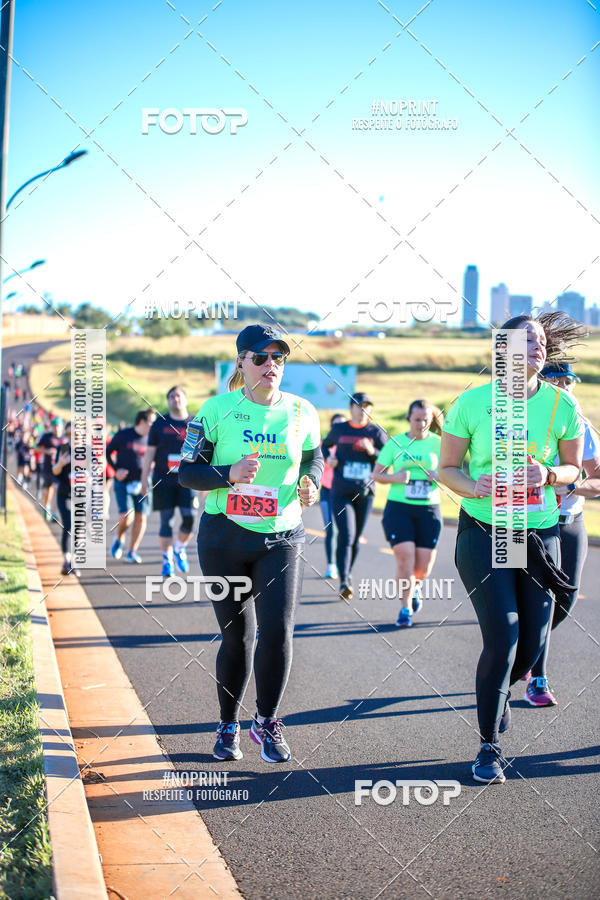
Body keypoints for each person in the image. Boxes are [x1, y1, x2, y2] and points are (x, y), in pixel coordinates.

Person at [439, 312, 585, 784]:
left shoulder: (562, 407)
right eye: (527, 340)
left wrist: (547, 475)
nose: (538, 346)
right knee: (502, 636)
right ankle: (488, 746)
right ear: (502, 350)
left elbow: (575, 471)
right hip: (487, 531)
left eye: (541, 340)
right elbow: (447, 469)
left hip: (540, 533)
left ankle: (502, 691)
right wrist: (473, 486)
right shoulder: (472, 403)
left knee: (535, 638)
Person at [178, 323, 323, 764]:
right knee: (238, 636)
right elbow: (186, 472)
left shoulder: (303, 411)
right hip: (225, 538)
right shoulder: (215, 409)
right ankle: (227, 725)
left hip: (282, 535)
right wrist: (228, 474)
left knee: (278, 632)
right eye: (260, 357)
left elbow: (315, 457)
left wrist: (312, 482)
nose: (270, 365)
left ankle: (267, 720)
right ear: (240, 361)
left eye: (278, 357)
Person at [524, 362, 600, 705]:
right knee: (540, 600)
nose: (564, 386)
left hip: (569, 521)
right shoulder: (524, 422)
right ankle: (537, 677)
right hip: (532, 523)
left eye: (569, 381)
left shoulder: (582, 426)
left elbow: (597, 480)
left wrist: (573, 485)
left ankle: (523, 648)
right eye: (557, 380)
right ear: (543, 383)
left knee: (565, 599)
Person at [374, 399, 444, 628]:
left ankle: (416, 587)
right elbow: (377, 474)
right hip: (399, 508)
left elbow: (453, 472)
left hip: (428, 509)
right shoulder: (396, 443)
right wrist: (395, 478)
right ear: (409, 418)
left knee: (423, 566)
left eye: (426, 420)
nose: (421, 424)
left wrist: (440, 475)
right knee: (405, 557)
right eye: (417, 419)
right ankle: (405, 609)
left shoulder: (439, 444)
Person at [322, 393, 387, 599]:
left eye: (367, 406)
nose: (363, 409)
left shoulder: (375, 432)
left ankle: (347, 573)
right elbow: (324, 445)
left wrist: (371, 451)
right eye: (359, 406)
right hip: (340, 491)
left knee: (356, 538)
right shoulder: (340, 429)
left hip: (365, 492)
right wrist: (329, 457)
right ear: (351, 408)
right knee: (346, 535)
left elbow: (387, 459)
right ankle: (344, 581)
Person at [141, 386, 196, 577]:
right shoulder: (160, 423)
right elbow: (149, 453)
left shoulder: (194, 422)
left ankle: (180, 547)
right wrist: (144, 479)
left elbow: (205, 454)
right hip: (163, 479)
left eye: (178, 396)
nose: (175, 399)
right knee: (167, 521)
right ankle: (167, 560)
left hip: (188, 479)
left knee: (189, 518)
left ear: (185, 399)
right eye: (171, 396)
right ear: (168, 401)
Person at [108, 409, 156, 563]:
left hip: (144, 482)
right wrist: (116, 471)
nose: (154, 425)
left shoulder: (152, 438)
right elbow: (107, 452)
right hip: (124, 482)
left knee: (141, 518)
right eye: (152, 422)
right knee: (127, 516)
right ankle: (119, 538)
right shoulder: (124, 435)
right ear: (142, 421)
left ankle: (132, 552)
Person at [320, 413, 346, 578]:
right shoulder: (324, 446)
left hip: (346, 493)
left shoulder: (351, 445)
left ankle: (344, 566)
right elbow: (318, 467)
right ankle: (331, 565)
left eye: (342, 425)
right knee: (331, 530)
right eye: (336, 425)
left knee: (346, 531)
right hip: (328, 492)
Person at [52, 422, 80, 577]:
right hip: (64, 493)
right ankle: (66, 561)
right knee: (68, 525)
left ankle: (73, 562)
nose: (72, 437)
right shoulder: (62, 449)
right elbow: (55, 471)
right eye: (69, 434)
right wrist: (61, 463)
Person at [37, 417, 64, 521]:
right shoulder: (46, 437)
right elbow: (37, 448)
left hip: (60, 469)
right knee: (48, 490)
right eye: (55, 426)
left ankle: (54, 513)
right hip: (48, 467)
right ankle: (46, 507)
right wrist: (48, 451)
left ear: (61, 427)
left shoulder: (64, 439)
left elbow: (66, 452)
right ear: (52, 427)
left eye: (58, 426)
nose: (56, 428)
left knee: (57, 489)